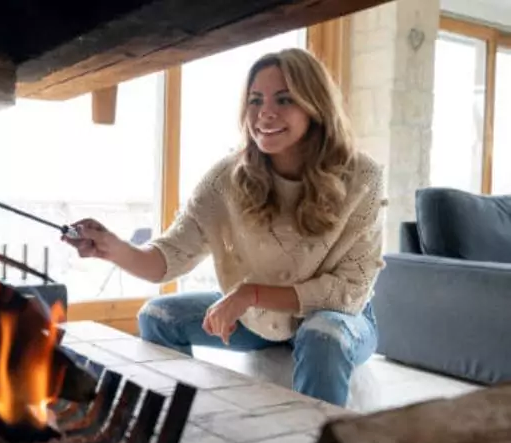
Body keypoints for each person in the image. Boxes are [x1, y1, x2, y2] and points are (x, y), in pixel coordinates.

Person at [62, 47, 386, 408]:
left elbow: (349, 292)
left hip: (337, 316)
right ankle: (184, 423)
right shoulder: (226, 179)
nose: (265, 112)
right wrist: (112, 247)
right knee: (157, 317)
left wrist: (249, 294)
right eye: (255, 100)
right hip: (257, 319)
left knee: (323, 336)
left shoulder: (363, 178)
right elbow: (167, 259)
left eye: (284, 99)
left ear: (315, 106)